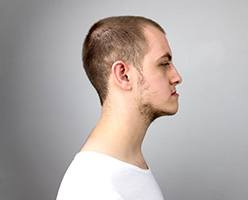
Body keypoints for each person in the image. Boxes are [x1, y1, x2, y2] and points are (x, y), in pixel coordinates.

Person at [56, 16, 182, 200]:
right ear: (123, 75)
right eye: (164, 64)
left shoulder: (128, 166)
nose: (177, 77)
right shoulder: (92, 189)